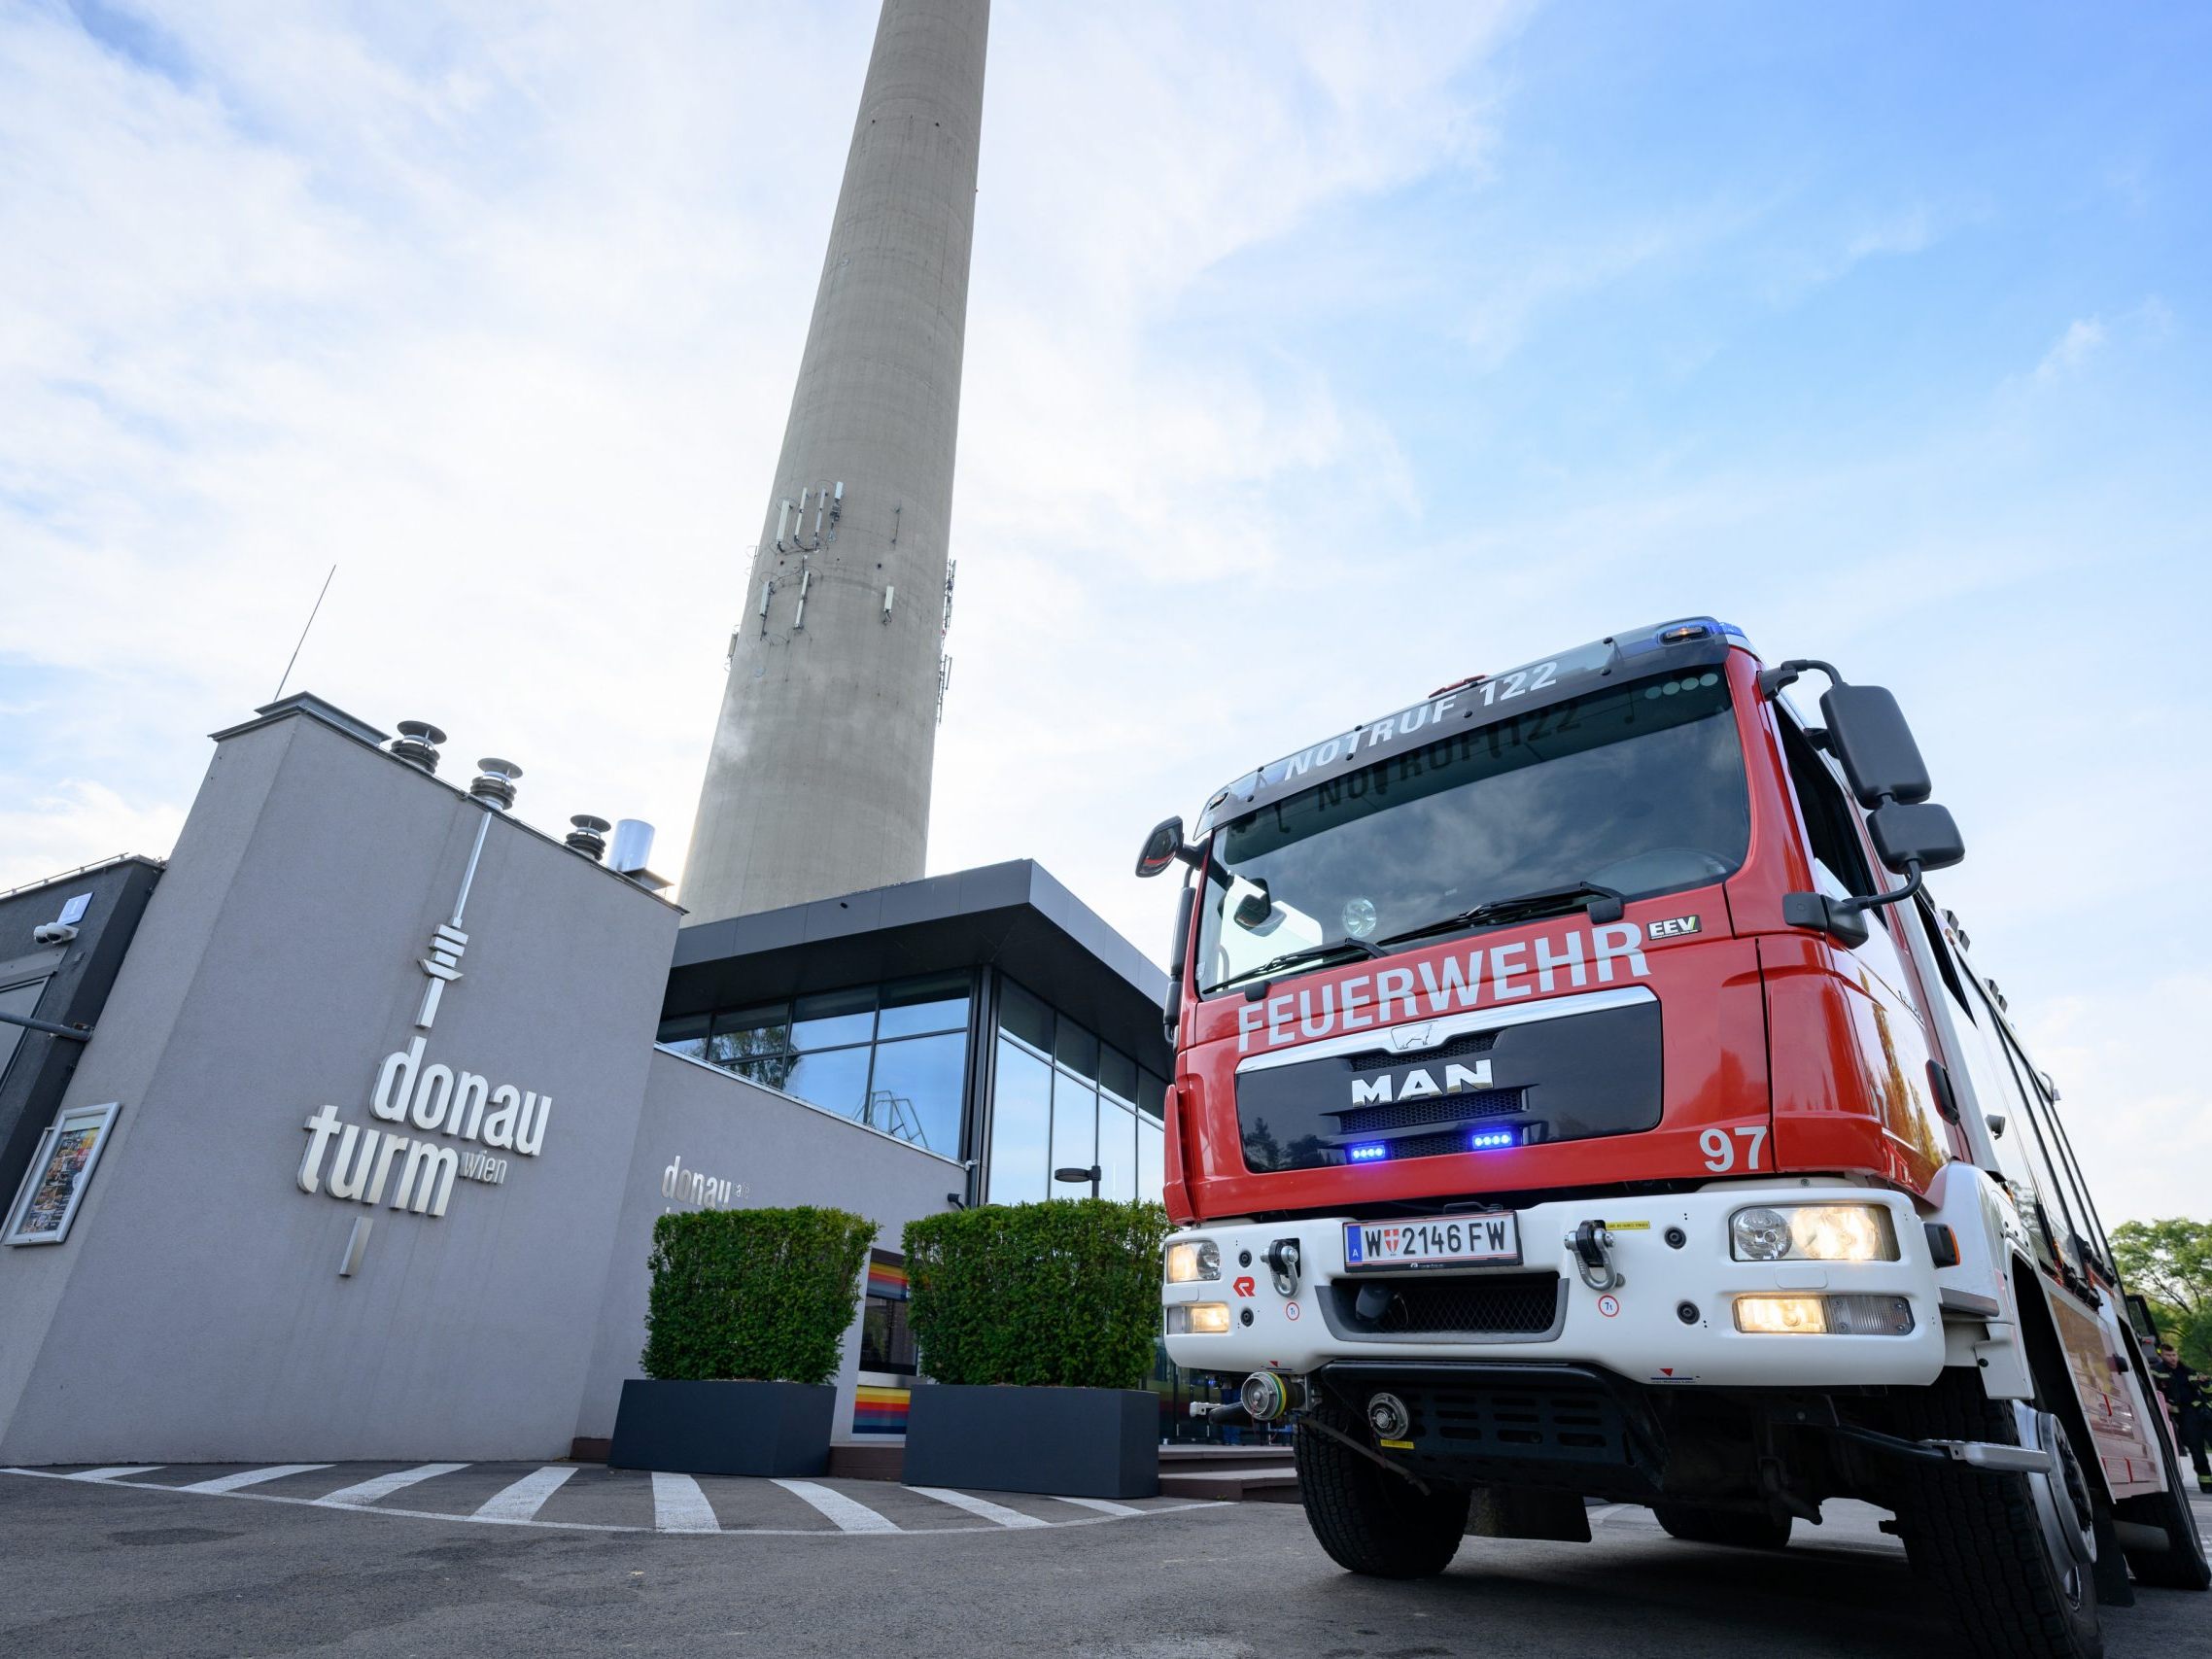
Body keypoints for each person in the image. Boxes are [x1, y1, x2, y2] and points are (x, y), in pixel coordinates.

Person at [2154, 1340, 2212, 1493]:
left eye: (2174, 1355)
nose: (2172, 1358)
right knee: (2197, 1452)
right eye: (2168, 1355)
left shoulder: (2189, 1371)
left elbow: (2208, 1393)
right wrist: (2165, 1404)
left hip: (2202, 1413)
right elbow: (2153, 1392)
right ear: (2161, 1355)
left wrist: (2206, 1383)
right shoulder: (2156, 1372)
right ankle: (2207, 1485)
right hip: (2185, 1416)